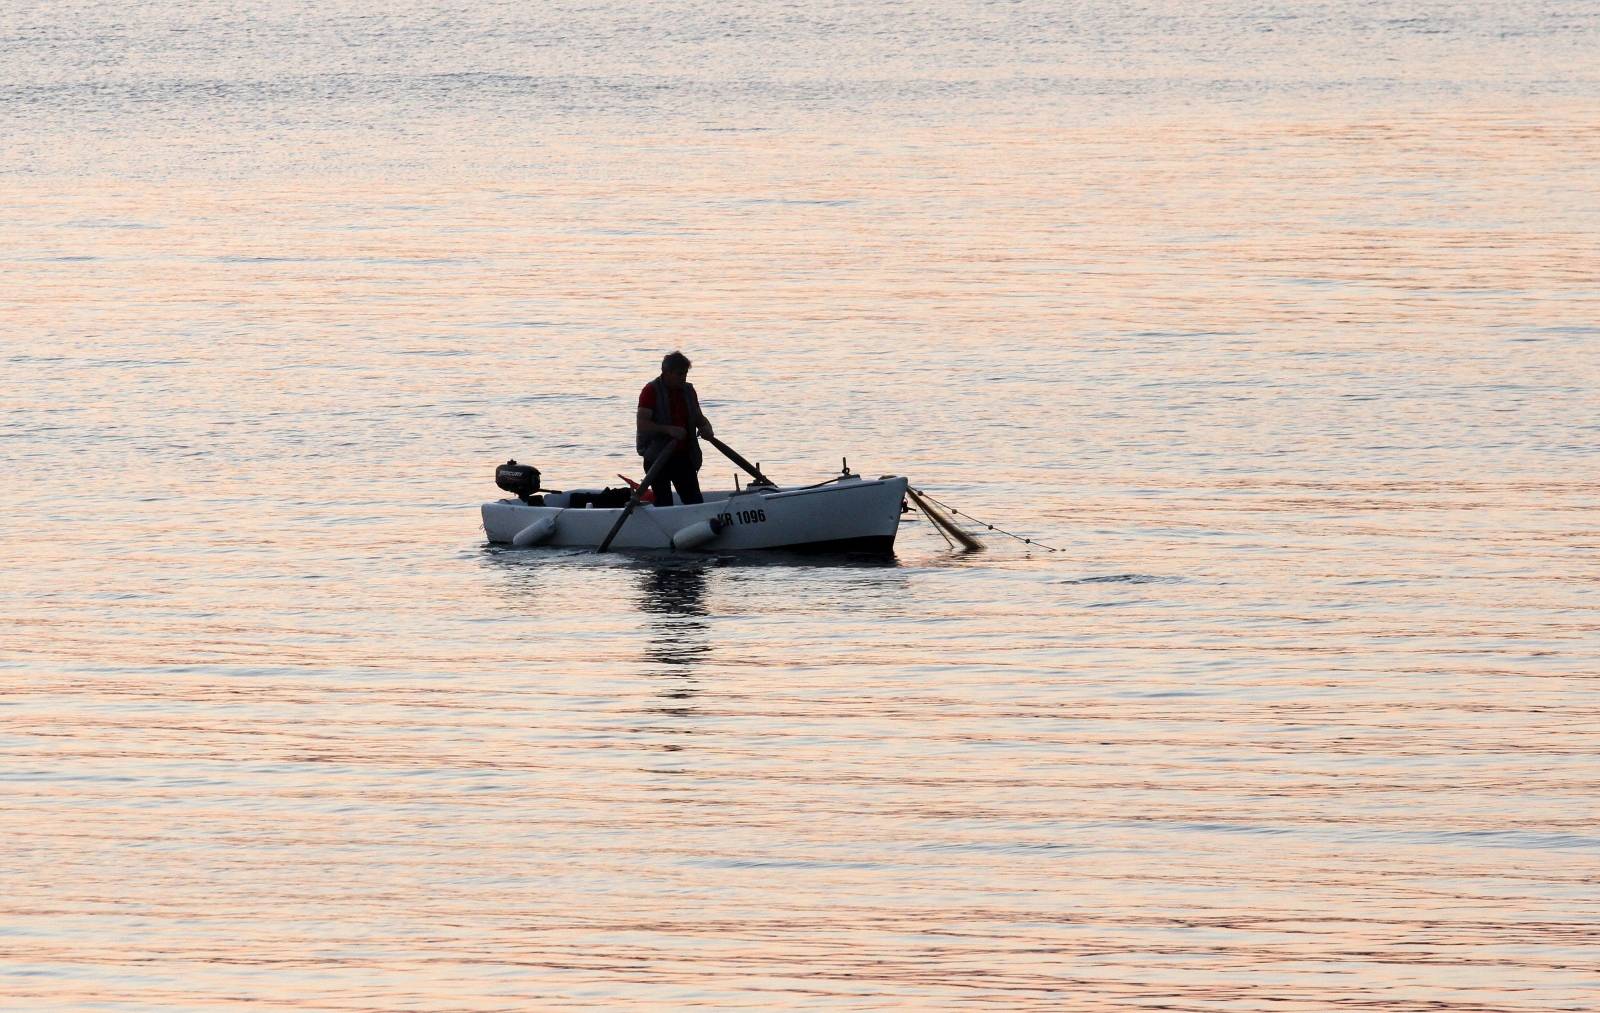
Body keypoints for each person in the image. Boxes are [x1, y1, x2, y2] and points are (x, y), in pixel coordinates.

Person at [636, 351, 714, 506]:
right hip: (657, 457)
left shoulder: (688, 390)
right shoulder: (650, 391)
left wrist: (706, 427)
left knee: (694, 500)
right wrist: (669, 430)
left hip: (683, 457)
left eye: (685, 373)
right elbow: (642, 424)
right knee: (664, 502)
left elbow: (698, 417)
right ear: (667, 373)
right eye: (679, 374)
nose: (683, 378)